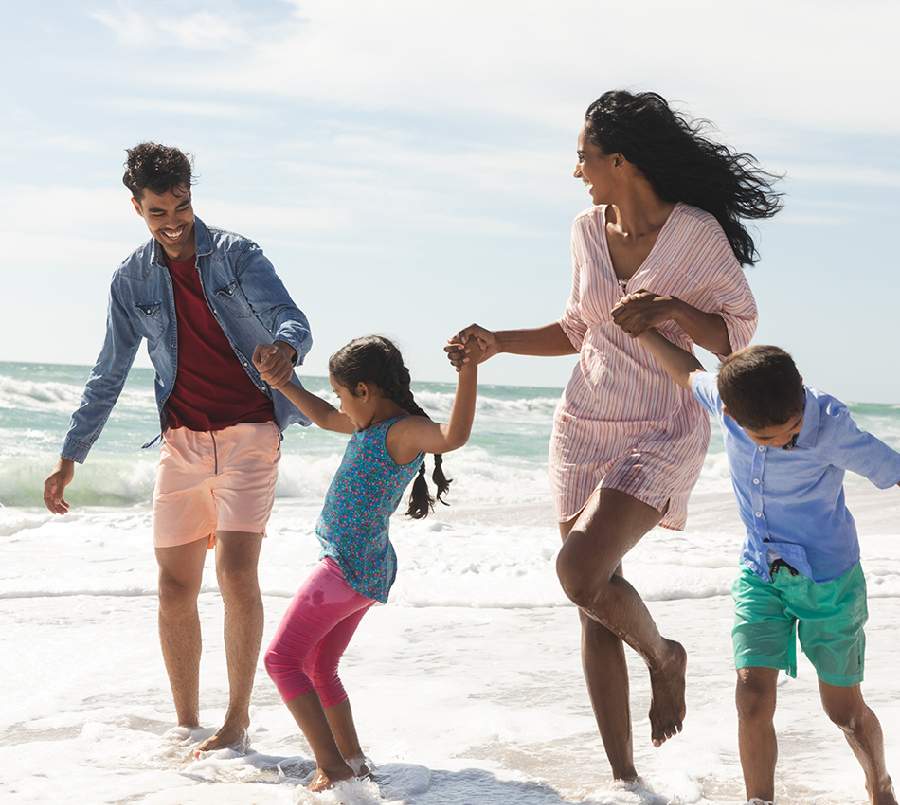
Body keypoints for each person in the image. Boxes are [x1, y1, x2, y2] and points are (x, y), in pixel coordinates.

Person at [446, 90, 782, 780]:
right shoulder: (584, 230)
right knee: (592, 602)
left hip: (664, 426)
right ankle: (625, 780)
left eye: (584, 157)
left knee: (578, 570)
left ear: (620, 160)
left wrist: (669, 307)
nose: (578, 172)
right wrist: (496, 344)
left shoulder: (694, 234)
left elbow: (736, 337)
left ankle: (665, 656)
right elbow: (578, 328)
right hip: (583, 424)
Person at [42, 142, 312, 753]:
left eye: (182, 206)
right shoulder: (130, 278)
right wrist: (70, 456)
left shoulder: (238, 255)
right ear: (136, 207)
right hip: (183, 444)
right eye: (159, 211)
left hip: (250, 435)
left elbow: (291, 316)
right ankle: (188, 724)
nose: (174, 221)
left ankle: (236, 720)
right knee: (173, 588)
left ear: (192, 196)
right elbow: (108, 372)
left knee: (238, 574)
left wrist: (285, 350)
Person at [632, 328, 899, 805]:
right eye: (768, 438)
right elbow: (688, 370)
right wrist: (645, 330)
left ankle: (879, 785)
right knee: (751, 695)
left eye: (792, 431)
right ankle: (759, 800)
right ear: (731, 416)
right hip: (761, 573)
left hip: (830, 584)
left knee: (842, 710)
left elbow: (895, 469)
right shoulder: (725, 402)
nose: (784, 441)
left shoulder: (831, 426)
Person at [256, 334, 479, 792]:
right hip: (365, 567)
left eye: (342, 393)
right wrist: (283, 382)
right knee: (321, 667)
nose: (338, 403)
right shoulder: (366, 426)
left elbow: (452, 436)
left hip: (345, 568)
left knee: (281, 661)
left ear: (365, 390)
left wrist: (467, 371)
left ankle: (332, 766)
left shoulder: (402, 432)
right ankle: (353, 761)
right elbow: (320, 415)